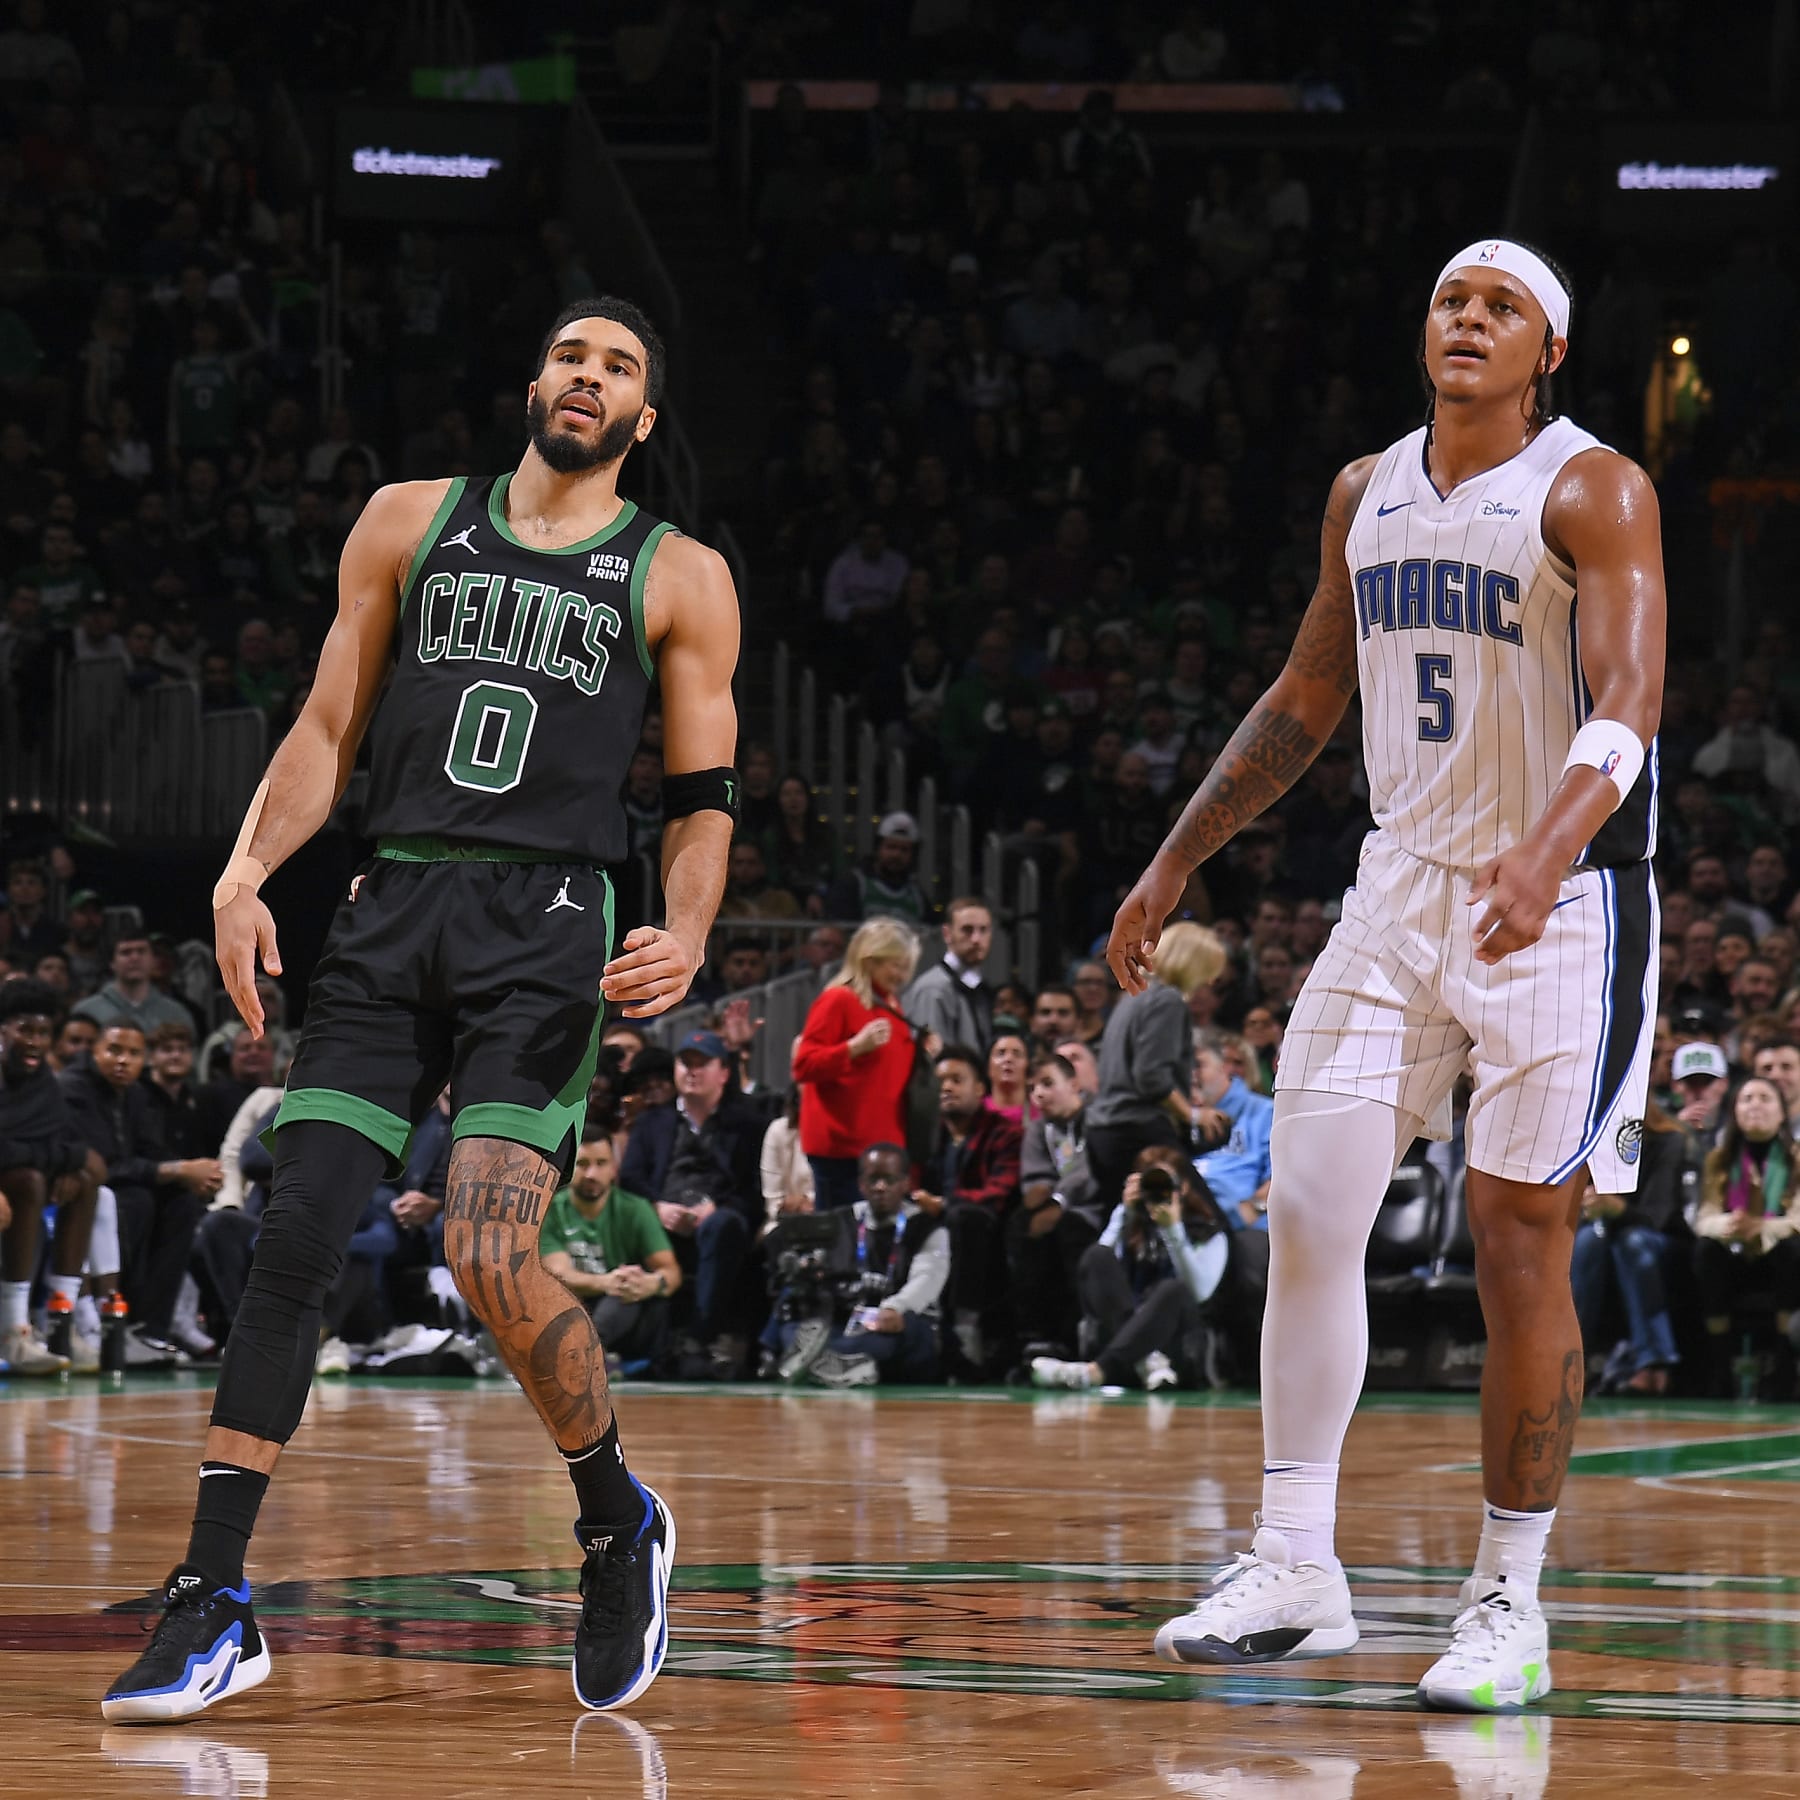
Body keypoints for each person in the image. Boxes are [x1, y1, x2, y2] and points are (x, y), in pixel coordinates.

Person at [104, 296, 740, 1724]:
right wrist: (246, 866)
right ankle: (214, 1599)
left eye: (620, 367)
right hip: (390, 905)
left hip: (549, 925)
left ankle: (612, 1518)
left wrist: (688, 926)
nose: (588, 375)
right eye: (570, 353)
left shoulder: (679, 573)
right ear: (533, 382)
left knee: (490, 1251)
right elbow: (327, 725)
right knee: (293, 1237)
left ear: (642, 422)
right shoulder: (408, 519)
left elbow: (703, 798)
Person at [1110, 239, 1665, 1712]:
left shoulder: (1592, 486)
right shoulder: (1366, 491)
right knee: (1308, 1196)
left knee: (1516, 1245)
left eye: (1501, 309)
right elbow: (1305, 694)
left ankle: (1508, 1601)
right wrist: (1176, 859)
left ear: (1549, 348)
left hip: (1570, 899)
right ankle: (1296, 1564)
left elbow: (1631, 698)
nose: (1468, 321)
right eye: (1448, 301)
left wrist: (1547, 848)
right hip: (1400, 885)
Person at [619, 1031, 764, 1377]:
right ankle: (650, 1344)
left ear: (724, 1073)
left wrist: (712, 1210)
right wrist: (658, 1209)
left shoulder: (749, 1124)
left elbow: (754, 1188)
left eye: (702, 1064)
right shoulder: (653, 1122)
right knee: (637, 1224)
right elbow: (630, 1180)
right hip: (663, 1215)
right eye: (685, 1063)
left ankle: (701, 1334)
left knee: (722, 1226)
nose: (691, 1071)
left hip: (720, 1218)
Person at [1031, 1148, 1231, 1392]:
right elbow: (1093, 1273)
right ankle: (1145, 1360)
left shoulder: (1209, 1232)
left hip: (1178, 1349)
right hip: (1127, 1344)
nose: (1158, 1190)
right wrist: (1123, 1212)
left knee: (1174, 1289)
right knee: (1097, 1255)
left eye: (1166, 1183)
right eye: (1150, 1183)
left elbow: (1199, 1292)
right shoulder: (1132, 1227)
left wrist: (1173, 1230)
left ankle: (1096, 1371)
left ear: (1185, 1187)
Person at [1085, 922, 1225, 1211]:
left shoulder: (1133, 997)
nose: (1209, 981)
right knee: (1205, 1221)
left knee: (1132, 1231)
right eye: (1208, 969)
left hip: (1103, 1131)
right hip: (1138, 1131)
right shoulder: (1167, 1000)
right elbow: (1151, 1077)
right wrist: (1193, 1115)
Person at [0, 979, 97, 1373]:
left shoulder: (42, 1080)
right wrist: (45, 1156)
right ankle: (13, 1329)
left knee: (85, 1180)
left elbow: (72, 1144)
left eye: (43, 1032)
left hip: (16, 1176)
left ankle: (61, 1320)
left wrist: (57, 1161)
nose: (36, 1042)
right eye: (25, 1030)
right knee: (30, 1181)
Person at [792, 917, 920, 1213]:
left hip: (882, 1146)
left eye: (905, 967)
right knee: (842, 1241)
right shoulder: (838, 999)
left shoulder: (889, 1004)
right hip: (841, 1150)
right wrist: (853, 1048)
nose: (902, 975)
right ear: (870, 959)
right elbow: (804, 1065)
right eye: (895, 965)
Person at [912, 1044, 1022, 1374]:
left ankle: (965, 1327)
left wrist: (945, 1205)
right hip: (938, 1226)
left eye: (957, 1079)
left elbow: (997, 1194)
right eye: (941, 1080)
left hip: (987, 1234)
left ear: (979, 1088)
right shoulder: (928, 1136)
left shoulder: (1004, 1131)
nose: (946, 1087)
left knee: (965, 1218)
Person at [805, 1143, 950, 1388]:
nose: (880, 1187)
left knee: (898, 1332)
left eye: (889, 1180)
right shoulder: (842, 1221)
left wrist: (895, 1308)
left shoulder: (927, 1228)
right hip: (853, 1322)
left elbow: (927, 1280)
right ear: (861, 1184)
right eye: (873, 1179)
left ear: (905, 1183)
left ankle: (832, 1361)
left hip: (906, 1323)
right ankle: (838, 1362)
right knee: (801, 1318)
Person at [1692, 1076, 1800, 1398]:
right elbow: (1703, 1218)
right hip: (1734, 1251)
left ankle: (1782, 1363)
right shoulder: (1718, 1160)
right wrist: (1732, 1225)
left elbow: (1798, 1220)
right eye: (1747, 1098)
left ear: (1783, 1113)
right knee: (1705, 1251)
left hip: (1777, 1253)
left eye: (1765, 1098)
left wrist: (1761, 1227)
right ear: (1734, 1111)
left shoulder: (1796, 1158)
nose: (1755, 1105)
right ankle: (1720, 1362)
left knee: (1791, 1250)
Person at [541, 1127, 682, 1370]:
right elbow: (559, 1275)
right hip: (573, 1307)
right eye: (583, 1164)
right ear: (568, 1167)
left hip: (625, 1315)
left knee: (627, 1291)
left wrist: (651, 1283)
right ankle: (589, 1354)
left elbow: (671, 1273)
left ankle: (586, 1354)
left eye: (601, 1163)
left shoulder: (636, 1209)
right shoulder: (550, 1211)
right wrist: (607, 1282)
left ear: (614, 1168)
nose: (592, 1173)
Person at [1571, 1104, 1687, 1396]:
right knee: (1587, 1242)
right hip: (1602, 1241)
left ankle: (1653, 1360)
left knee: (1631, 1242)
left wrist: (1615, 1208)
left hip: (1661, 1243)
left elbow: (1658, 1217)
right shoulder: (1582, 1140)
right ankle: (1570, 1359)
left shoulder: (1668, 1140)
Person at [902, 896, 996, 1055]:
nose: (976, 939)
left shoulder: (978, 987)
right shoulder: (932, 990)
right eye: (967, 930)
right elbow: (933, 1060)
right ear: (947, 933)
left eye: (983, 930)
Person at [72, 932, 196, 1037]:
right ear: (112, 963)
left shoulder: (176, 1014)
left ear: (152, 960)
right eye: (126, 953)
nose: (135, 958)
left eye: (141, 952)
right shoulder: (86, 1011)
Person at [822, 812, 930, 925]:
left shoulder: (917, 896)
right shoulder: (853, 885)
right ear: (878, 848)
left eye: (904, 850)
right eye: (891, 847)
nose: (896, 855)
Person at [986, 1028, 1031, 1127]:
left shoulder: (1041, 1114)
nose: (1008, 1059)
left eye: (1017, 1054)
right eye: (1001, 1053)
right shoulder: (974, 1113)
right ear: (988, 1067)